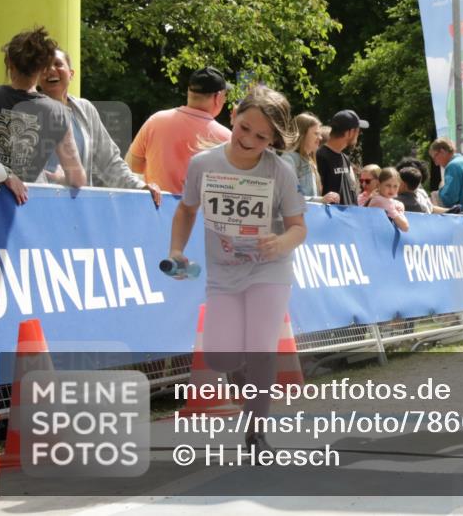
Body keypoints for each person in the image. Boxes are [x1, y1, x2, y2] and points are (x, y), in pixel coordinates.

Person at [167, 86, 307, 454]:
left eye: (261, 137)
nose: (248, 140)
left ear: (273, 140)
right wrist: (176, 250)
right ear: (232, 116)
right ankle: (245, 377)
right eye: (245, 128)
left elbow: (298, 228)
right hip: (224, 273)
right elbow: (186, 210)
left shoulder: (280, 171)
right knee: (220, 357)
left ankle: (256, 433)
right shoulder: (203, 164)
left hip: (269, 269)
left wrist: (280, 242)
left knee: (261, 349)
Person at [37, 49, 162, 207]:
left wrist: (141, 187)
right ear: (37, 76)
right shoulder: (28, 111)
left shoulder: (85, 109)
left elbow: (109, 163)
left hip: (78, 208)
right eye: (44, 66)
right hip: (39, 205)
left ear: (71, 74)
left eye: (58, 64)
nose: (51, 70)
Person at [0, 27, 86, 195]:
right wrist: (60, 179)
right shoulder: (59, 114)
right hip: (26, 204)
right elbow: (77, 179)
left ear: (9, 63)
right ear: (43, 68)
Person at [126, 66, 231, 194]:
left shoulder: (156, 121)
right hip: (197, 207)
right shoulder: (227, 139)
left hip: (156, 205)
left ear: (189, 92)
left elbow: (132, 165)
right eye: (225, 96)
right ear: (218, 97)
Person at [280, 112, 340, 204]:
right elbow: (287, 197)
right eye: (316, 133)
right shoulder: (289, 159)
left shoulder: (310, 160)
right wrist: (320, 200)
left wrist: (328, 198)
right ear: (302, 134)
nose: (320, 138)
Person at [316, 109, 367, 206]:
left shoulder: (345, 158)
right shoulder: (320, 157)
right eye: (358, 131)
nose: (359, 134)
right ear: (349, 132)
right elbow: (317, 194)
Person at [428, 137, 463, 209]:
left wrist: (437, 194)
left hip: (462, 213)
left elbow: (449, 199)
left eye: (434, 157)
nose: (436, 163)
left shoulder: (452, 166)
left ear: (442, 151)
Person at [368, 167, 409, 231]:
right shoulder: (381, 201)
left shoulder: (382, 199)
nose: (392, 190)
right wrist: (399, 210)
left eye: (395, 186)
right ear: (379, 184)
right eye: (388, 185)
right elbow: (405, 227)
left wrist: (399, 204)